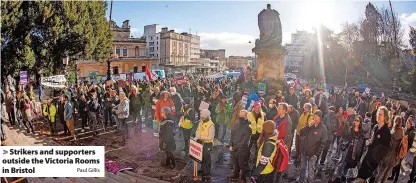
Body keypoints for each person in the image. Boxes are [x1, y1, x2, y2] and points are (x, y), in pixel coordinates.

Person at [357, 106, 391, 183]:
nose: (378, 116)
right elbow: (373, 140)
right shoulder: (376, 127)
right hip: (367, 157)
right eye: (378, 114)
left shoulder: (386, 132)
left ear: (385, 117)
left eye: (380, 114)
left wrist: (375, 157)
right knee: (361, 177)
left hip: (374, 163)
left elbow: (385, 150)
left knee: (364, 179)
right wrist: (369, 142)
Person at [375, 116, 404, 183]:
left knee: (380, 173)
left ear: (395, 122)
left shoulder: (391, 132)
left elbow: (388, 145)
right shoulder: (402, 133)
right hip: (395, 158)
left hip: (387, 156)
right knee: (387, 173)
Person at [228, 110, 251, 183]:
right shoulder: (237, 124)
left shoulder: (248, 127)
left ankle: (243, 178)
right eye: (240, 115)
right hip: (234, 148)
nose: (240, 117)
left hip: (242, 149)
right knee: (236, 163)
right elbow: (232, 134)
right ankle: (236, 174)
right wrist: (231, 144)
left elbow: (244, 141)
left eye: (242, 116)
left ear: (246, 116)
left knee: (242, 165)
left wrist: (234, 147)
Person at [195, 109, 215, 181]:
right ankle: (202, 169)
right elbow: (197, 131)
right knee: (202, 157)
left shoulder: (211, 125)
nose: (202, 117)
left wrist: (200, 137)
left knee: (207, 158)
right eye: (201, 115)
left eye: (203, 116)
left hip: (208, 144)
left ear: (207, 116)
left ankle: (207, 172)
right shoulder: (201, 122)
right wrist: (196, 138)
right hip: (201, 143)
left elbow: (210, 137)